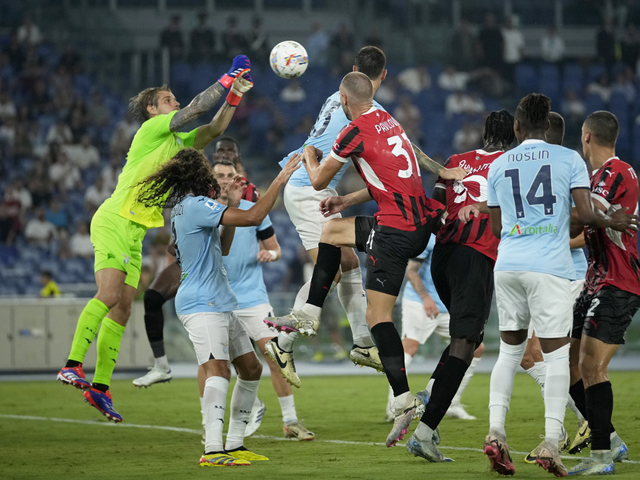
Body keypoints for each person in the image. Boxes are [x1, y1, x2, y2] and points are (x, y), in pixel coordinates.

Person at [56, 55, 254, 423]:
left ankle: (100, 388)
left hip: (133, 231)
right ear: (152, 109)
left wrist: (235, 95)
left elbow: (213, 128)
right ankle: (72, 364)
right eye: (167, 99)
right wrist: (227, 78)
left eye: (174, 98)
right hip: (115, 219)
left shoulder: (178, 142)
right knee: (109, 295)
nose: (175, 102)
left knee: (123, 308)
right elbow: (196, 108)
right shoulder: (152, 130)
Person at [264, 46, 467, 389]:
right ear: (384, 75)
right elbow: (407, 148)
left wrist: (344, 195)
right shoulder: (372, 112)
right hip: (307, 187)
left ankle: (361, 342)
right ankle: (284, 342)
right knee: (335, 267)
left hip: (315, 188)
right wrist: (442, 170)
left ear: (353, 74)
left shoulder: (339, 97)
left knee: (348, 264)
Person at [482, 94, 636, 477]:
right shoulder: (568, 160)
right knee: (556, 359)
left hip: (508, 264)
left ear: (517, 126)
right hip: (549, 267)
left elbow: (497, 228)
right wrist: (609, 222)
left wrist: (522, 228)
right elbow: (585, 214)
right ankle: (552, 441)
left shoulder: (499, 164)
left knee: (509, 354)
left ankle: (496, 432)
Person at [135, 147, 301, 466]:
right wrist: (280, 179)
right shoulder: (196, 205)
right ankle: (213, 449)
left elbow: (222, 248)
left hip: (220, 300)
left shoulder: (186, 207)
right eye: (211, 174)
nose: (216, 180)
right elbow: (255, 217)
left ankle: (235, 443)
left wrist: (233, 205)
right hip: (202, 303)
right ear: (199, 176)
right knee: (219, 369)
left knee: (251, 368)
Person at [404, 110, 515, 463]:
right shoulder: (511, 163)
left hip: (443, 256)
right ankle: (424, 432)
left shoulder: (455, 161)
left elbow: (436, 210)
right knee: (466, 343)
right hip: (475, 256)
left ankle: (430, 397)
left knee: (466, 340)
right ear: (514, 135)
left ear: (484, 133)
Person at [566, 111, 639, 475]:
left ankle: (600, 456)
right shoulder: (595, 178)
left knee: (592, 366)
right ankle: (609, 439)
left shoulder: (616, 171)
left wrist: (544, 217)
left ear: (587, 136)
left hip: (618, 281)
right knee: (569, 366)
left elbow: (583, 215)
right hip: (595, 281)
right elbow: (583, 228)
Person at [519, 112, 589, 463]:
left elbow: (587, 229)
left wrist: (553, 241)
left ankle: (575, 427)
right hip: (545, 274)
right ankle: (582, 423)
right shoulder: (542, 170)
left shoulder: (567, 170)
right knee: (531, 357)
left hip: (567, 277)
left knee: (542, 355)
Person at [384, 236, 482, 423]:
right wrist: (426, 298)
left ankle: (452, 403)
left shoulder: (461, 234)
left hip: (448, 304)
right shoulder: (429, 237)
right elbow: (411, 270)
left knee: (474, 347)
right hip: (419, 302)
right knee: (409, 347)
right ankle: (395, 406)